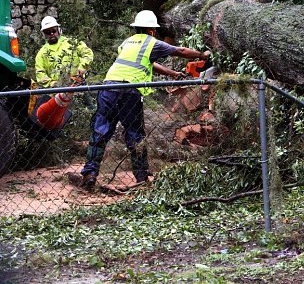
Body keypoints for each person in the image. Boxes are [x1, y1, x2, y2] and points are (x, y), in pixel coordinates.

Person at [80, 10, 210, 189]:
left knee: (100, 131)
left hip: (107, 88)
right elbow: (179, 50)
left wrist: (172, 73)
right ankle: (141, 178)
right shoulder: (151, 42)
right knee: (135, 135)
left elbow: (147, 63)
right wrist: (202, 55)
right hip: (129, 91)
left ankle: (90, 173)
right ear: (151, 30)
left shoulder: (127, 43)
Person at [35, 16, 94, 88]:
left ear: (59, 30)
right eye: (48, 32)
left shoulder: (72, 42)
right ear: (44, 34)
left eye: (53, 30)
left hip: (78, 85)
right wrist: (52, 84)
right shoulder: (41, 53)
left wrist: (81, 68)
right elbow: (40, 73)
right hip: (57, 91)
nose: (51, 34)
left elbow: (88, 54)